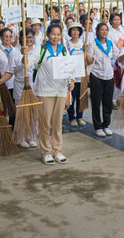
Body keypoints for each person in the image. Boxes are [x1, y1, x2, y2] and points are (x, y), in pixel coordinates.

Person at [34, 24, 72, 165]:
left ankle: (57, 150)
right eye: (53, 34)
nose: (56, 37)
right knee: (45, 123)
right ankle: (46, 152)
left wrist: (71, 80)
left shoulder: (64, 50)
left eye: (58, 34)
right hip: (45, 91)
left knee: (57, 123)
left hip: (61, 91)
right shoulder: (41, 49)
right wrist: (25, 54)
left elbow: (69, 68)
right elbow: (30, 64)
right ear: (48, 35)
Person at [0, 28, 40, 148]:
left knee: (33, 113)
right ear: (21, 38)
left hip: (34, 86)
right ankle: (21, 137)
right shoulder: (15, 53)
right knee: (21, 113)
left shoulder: (37, 51)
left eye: (31, 37)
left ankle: (31, 136)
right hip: (20, 87)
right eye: (26, 37)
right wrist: (1, 80)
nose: (29, 40)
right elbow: (10, 71)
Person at [87, 22, 120, 137]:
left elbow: (117, 57)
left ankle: (106, 124)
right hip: (96, 75)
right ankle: (97, 126)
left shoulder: (111, 44)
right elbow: (89, 60)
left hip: (109, 75)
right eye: (102, 30)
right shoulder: (93, 44)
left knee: (107, 101)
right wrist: (88, 57)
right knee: (96, 102)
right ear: (97, 32)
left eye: (106, 30)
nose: (104, 32)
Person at [64, 23, 86, 127]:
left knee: (80, 97)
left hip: (81, 75)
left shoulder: (83, 43)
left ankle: (80, 116)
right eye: (73, 30)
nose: (75, 32)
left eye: (77, 30)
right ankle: (71, 117)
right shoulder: (67, 44)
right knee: (71, 97)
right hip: (71, 75)